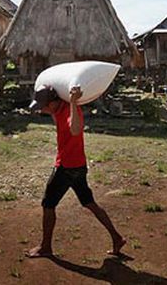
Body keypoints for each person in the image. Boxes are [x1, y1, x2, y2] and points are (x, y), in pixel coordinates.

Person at [26, 84, 126, 258]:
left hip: (66, 167)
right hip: (79, 166)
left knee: (48, 205)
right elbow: (50, 111)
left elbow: (76, 130)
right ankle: (117, 237)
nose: (41, 110)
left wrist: (73, 102)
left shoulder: (71, 110)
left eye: (43, 106)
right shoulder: (58, 109)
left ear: (52, 103)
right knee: (89, 203)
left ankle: (45, 247)